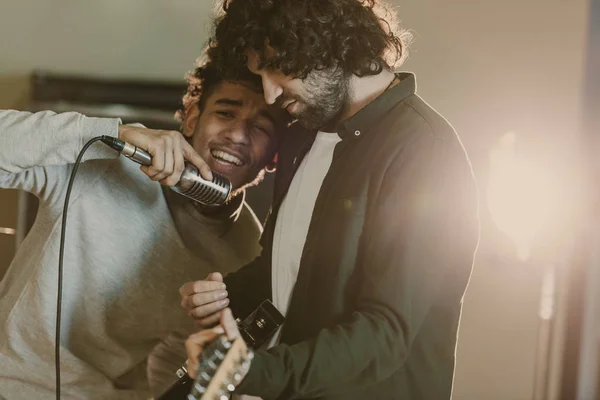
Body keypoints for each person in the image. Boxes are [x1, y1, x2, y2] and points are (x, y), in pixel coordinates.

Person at [180, 0, 480, 399]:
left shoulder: (427, 151)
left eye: (276, 67)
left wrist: (250, 371)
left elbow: (384, 334)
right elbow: (290, 269)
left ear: (329, 44)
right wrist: (225, 295)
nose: (269, 93)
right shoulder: (304, 133)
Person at [0, 61, 288, 399]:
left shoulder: (251, 253)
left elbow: (180, 358)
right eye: (225, 113)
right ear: (193, 117)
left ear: (274, 157)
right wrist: (110, 133)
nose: (237, 135)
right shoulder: (102, 161)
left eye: (260, 128)